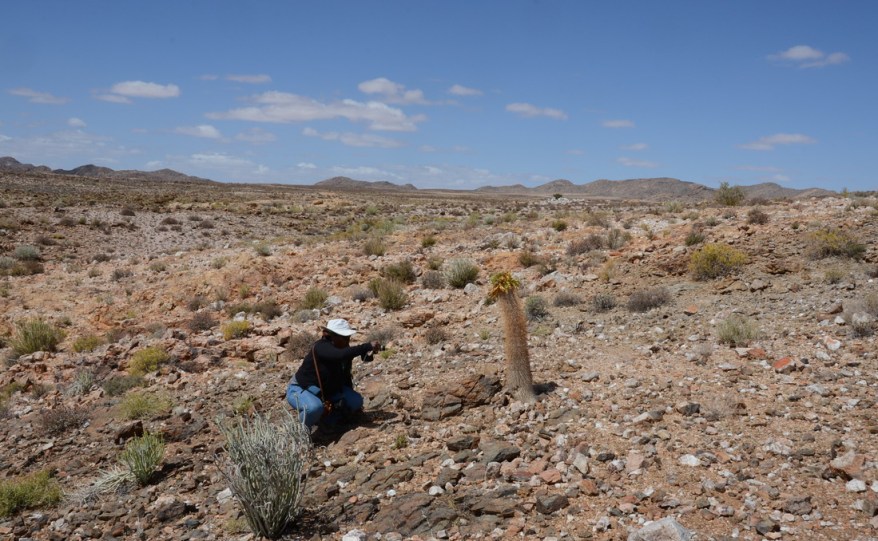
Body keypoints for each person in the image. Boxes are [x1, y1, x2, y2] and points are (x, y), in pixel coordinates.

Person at [286, 319, 380, 429]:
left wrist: (367, 353)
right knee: (314, 408)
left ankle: (327, 423)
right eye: (344, 337)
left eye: (348, 337)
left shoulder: (343, 349)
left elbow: (346, 373)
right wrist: (365, 346)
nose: (347, 340)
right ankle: (300, 432)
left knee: (355, 401)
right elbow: (338, 355)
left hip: (328, 391)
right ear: (332, 336)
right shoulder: (321, 347)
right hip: (301, 389)